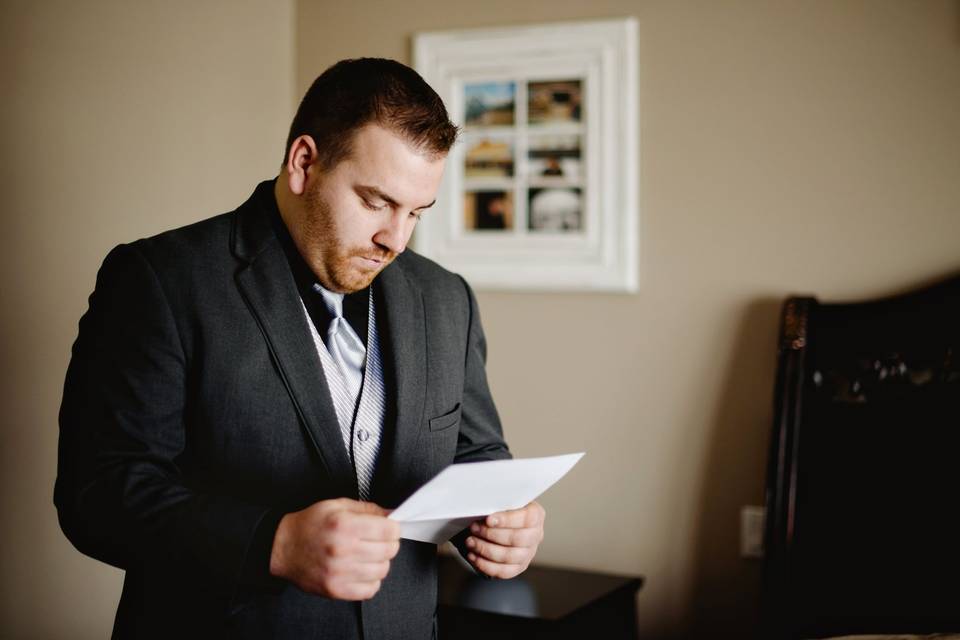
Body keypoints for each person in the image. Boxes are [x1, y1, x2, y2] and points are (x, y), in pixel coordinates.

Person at [55, 58, 545, 640]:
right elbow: (99, 495)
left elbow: (478, 451)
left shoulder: (446, 298)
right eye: (375, 202)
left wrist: (499, 525)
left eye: (416, 212)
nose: (396, 239)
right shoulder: (160, 280)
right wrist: (276, 545)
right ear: (304, 162)